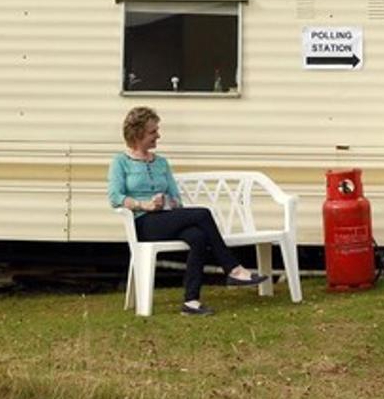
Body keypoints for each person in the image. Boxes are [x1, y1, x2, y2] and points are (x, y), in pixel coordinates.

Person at [107, 106, 267, 316]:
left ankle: (191, 302)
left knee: (199, 237)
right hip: (144, 223)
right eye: (153, 131)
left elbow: (176, 199)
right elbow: (115, 197)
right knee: (202, 214)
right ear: (137, 134)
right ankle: (234, 269)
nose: (158, 135)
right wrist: (144, 205)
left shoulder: (161, 162)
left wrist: (166, 202)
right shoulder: (120, 162)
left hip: (166, 217)